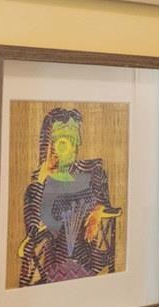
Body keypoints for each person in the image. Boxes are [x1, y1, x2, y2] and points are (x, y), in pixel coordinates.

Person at [17, 107, 121, 285]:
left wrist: (98, 211)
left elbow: (106, 205)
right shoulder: (37, 187)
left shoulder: (92, 175)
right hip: (54, 267)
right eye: (63, 139)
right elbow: (33, 230)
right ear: (49, 144)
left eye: (74, 138)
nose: (71, 145)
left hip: (87, 261)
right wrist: (42, 180)